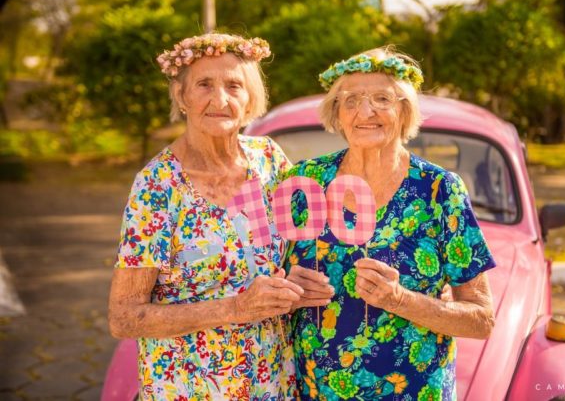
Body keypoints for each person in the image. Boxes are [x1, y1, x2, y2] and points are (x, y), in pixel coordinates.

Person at [285, 47, 496, 400]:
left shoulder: (439, 190)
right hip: (315, 392)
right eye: (350, 100)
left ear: (404, 110)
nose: (365, 112)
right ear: (337, 113)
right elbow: (264, 278)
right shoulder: (305, 181)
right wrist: (289, 293)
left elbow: (481, 319)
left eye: (382, 98)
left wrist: (400, 299)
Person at [108, 32, 305, 400]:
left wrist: (302, 286)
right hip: (191, 386)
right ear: (182, 96)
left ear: (250, 99)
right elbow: (124, 317)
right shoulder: (158, 184)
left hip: (272, 382)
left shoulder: (268, 159)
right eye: (204, 85)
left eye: (234, 85)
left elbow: (297, 251)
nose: (220, 99)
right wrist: (236, 308)